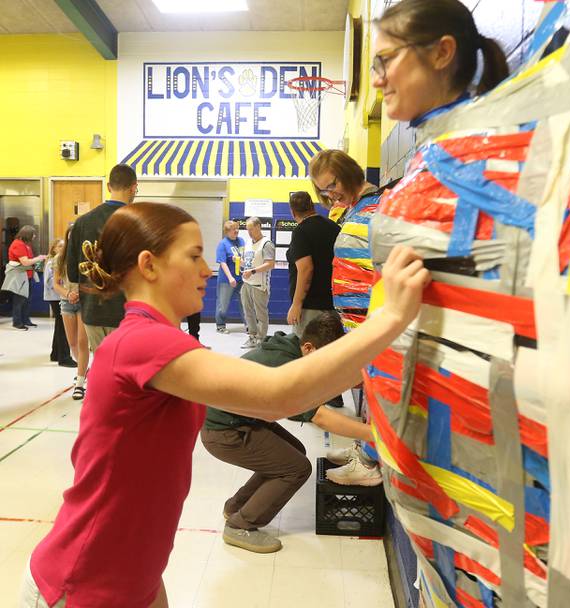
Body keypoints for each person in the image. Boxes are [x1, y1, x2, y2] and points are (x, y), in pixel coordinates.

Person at [22, 202, 428, 608]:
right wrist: (389, 315)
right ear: (149, 265)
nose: (207, 270)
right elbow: (278, 393)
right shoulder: (142, 342)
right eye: (194, 256)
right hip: (81, 582)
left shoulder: (159, 339)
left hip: (132, 576)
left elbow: (290, 399)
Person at [201, 311, 378, 554]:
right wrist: (375, 435)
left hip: (237, 420)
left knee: (295, 452)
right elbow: (321, 417)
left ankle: (236, 506)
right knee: (297, 468)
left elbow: (318, 396)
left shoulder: (292, 349)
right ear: (308, 347)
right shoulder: (287, 364)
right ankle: (240, 525)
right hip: (224, 431)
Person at [371, 0, 509, 125]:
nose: (376, 81)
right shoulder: (470, 138)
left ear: (442, 53)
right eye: (376, 66)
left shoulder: (467, 146)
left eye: (386, 60)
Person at [309, 149, 398, 332]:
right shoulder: (353, 211)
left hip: (374, 325)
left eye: (332, 185)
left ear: (348, 172)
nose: (330, 195)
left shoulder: (381, 207)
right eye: (324, 191)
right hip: (356, 326)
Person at [66, 163, 137, 352]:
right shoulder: (137, 222)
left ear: (108, 187)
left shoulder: (82, 223)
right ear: (134, 187)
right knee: (124, 369)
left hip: (92, 311)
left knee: (102, 365)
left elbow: (73, 273)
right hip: (126, 312)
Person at [286, 191, 340, 336]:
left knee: (308, 350)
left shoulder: (301, 231)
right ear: (312, 206)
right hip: (333, 304)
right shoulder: (334, 228)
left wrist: (297, 304)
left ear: (293, 212)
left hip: (311, 307)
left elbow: (305, 269)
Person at [54, 224, 90, 399]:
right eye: (70, 235)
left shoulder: (88, 257)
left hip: (84, 302)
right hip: (67, 302)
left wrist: (81, 293)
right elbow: (56, 284)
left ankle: (80, 382)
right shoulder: (60, 258)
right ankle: (82, 369)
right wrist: (68, 294)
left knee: (83, 342)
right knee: (73, 343)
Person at [240, 216, 275, 349]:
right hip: (247, 282)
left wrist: (253, 271)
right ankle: (252, 336)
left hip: (260, 285)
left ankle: (261, 339)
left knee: (261, 313)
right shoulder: (248, 243)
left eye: (251, 229)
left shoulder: (267, 243)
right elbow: (249, 262)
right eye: (247, 229)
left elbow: (270, 264)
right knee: (247, 311)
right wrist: (240, 262)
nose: (249, 232)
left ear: (259, 227)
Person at [2, 225, 46, 330]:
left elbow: (30, 261)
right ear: (27, 234)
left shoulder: (26, 245)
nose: (34, 236)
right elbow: (25, 262)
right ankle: (17, 323)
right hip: (20, 277)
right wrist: (39, 258)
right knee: (19, 300)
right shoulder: (18, 244)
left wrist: (38, 260)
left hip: (27, 276)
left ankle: (26, 320)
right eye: (33, 234)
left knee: (26, 300)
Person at [43, 238, 76, 368]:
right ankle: (64, 357)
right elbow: (51, 281)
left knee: (59, 325)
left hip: (59, 296)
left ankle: (56, 353)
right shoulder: (52, 261)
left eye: (64, 246)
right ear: (54, 249)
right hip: (56, 297)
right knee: (63, 327)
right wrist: (65, 288)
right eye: (60, 246)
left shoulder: (60, 260)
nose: (62, 249)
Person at [215, 220, 245, 333]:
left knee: (245, 303)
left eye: (237, 228)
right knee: (223, 304)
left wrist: (242, 262)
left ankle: (249, 325)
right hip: (226, 280)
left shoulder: (241, 241)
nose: (236, 231)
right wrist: (230, 278)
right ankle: (220, 325)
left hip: (241, 279)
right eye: (234, 229)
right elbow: (222, 263)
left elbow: (244, 258)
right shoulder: (223, 244)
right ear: (227, 232)